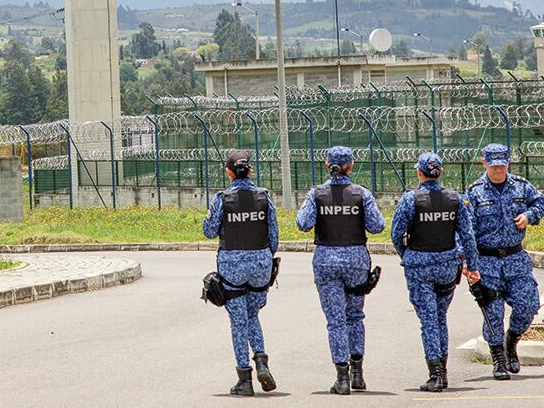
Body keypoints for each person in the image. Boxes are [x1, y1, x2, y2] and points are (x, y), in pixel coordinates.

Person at [296, 146, 385, 395]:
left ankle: (342, 377)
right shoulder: (361, 194)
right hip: (356, 260)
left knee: (335, 320)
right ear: (351, 166)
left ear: (327, 165)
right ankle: (358, 374)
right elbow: (377, 226)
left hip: (326, 260)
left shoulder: (317, 193)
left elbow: (303, 223)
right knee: (355, 316)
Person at [391, 153, 481, 392]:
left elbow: (396, 234)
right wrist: (472, 266)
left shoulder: (411, 199)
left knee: (429, 321)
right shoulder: (455, 198)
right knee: (440, 318)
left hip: (420, 267)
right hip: (447, 266)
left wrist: (407, 255)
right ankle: (443, 371)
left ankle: (436, 374)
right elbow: (468, 236)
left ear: (419, 172)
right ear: (440, 172)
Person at [466, 143, 544, 380]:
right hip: (487, 261)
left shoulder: (521, 186)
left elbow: (541, 202)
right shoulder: (474, 192)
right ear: (484, 163)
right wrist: (467, 262)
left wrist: (529, 216)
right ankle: (499, 359)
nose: (498, 170)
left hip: (515, 259)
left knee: (528, 304)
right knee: (493, 313)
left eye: (502, 165)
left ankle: (511, 341)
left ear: (508, 162)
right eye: (493, 166)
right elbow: (466, 230)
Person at [202, 150, 279, 397]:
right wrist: (262, 259)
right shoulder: (264, 196)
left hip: (232, 268)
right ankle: (261, 361)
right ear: (251, 170)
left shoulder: (222, 199)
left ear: (228, 172)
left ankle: (244, 379)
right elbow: (274, 237)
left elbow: (209, 231)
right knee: (252, 314)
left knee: (238, 320)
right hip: (260, 265)